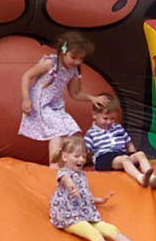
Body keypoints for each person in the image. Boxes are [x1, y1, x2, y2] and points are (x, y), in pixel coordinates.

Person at [49, 136, 156, 241]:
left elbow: (84, 195)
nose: (81, 160)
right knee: (93, 232)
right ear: (64, 157)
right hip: (68, 216)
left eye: (84, 157)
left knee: (112, 230)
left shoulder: (82, 174)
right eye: (77, 156)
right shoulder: (64, 173)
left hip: (84, 213)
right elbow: (66, 181)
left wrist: (98, 200)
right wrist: (72, 188)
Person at [20, 31, 107, 166]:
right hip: (40, 102)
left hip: (55, 105)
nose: (77, 62)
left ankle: (68, 165)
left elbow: (75, 93)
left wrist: (92, 98)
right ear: (63, 51)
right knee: (57, 131)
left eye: (81, 59)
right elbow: (27, 76)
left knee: (71, 130)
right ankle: (54, 167)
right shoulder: (50, 63)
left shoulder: (74, 71)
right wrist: (26, 99)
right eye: (73, 57)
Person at [85, 95, 156, 189]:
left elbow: (129, 143)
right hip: (104, 158)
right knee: (124, 159)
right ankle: (141, 178)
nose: (109, 122)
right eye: (105, 118)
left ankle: (152, 178)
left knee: (140, 154)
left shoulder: (118, 128)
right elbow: (86, 151)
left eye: (112, 119)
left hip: (121, 155)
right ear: (94, 115)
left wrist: (134, 155)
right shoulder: (91, 133)